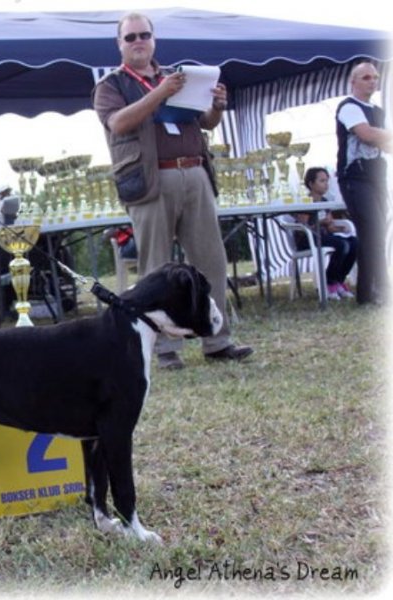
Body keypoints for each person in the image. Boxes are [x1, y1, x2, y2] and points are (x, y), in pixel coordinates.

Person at [92, 12, 252, 369]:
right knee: (155, 269)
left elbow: (203, 121)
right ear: (119, 43)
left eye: (144, 35)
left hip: (193, 172)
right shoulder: (111, 85)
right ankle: (164, 350)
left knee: (210, 261)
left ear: (154, 39)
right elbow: (118, 123)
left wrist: (217, 106)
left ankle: (217, 340)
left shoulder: (175, 78)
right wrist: (159, 94)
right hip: (151, 181)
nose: (138, 42)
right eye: (130, 36)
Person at [335, 61, 392, 306]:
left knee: (375, 234)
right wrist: (381, 136)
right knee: (373, 229)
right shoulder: (349, 107)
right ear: (354, 81)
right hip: (355, 178)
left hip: (376, 175)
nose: (372, 81)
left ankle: (368, 293)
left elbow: (383, 143)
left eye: (375, 77)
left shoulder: (377, 111)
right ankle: (381, 290)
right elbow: (367, 135)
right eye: (366, 77)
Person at [291, 167, 358, 301]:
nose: (326, 184)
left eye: (327, 180)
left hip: (323, 237)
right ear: (311, 184)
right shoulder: (305, 201)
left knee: (354, 243)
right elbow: (303, 227)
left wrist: (340, 229)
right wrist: (320, 222)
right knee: (342, 245)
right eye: (322, 181)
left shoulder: (325, 202)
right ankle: (329, 283)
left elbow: (330, 226)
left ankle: (338, 281)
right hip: (307, 239)